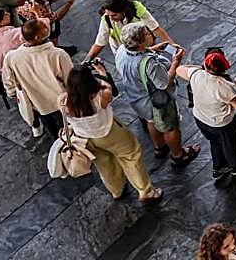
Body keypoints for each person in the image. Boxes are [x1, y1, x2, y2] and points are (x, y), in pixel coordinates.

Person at [58, 62, 162, 202]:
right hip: (109, 132)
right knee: (131, 156)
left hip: (85, 139)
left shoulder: (63, 101)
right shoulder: (101, 96)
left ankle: (116, 190)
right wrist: (101, 71)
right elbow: (109, 88)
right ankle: (146, 191)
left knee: (104, 164)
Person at [115, 23, 200, 167]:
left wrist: (152, 49)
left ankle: (159, 148)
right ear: (141, 42)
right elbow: (164, 83)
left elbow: (136, 56)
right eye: (147, 34)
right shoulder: (149, 64)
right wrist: (175, 62)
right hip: (155, 102)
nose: (151, 34)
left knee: (151, 121)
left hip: (137, 99)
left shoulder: (122, 51)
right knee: (170, 127)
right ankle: (178, 155)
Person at [177, 49, 236, 185]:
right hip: (222, 124)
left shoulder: (197, 74)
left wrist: (202, 67)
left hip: (201, 119)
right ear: (224, 68)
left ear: (206, 65)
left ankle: (218, 167)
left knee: (215, 142)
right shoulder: (225, 86)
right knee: (230, 145)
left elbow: (180, 69)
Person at [1, 18, 71, 139]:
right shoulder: (57, 54)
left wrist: (12, 92)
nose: (47, 25)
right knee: (67, 130)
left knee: (51, 127)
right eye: (44, 26)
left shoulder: (12, 57)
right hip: (61, 101)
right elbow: (70, 79)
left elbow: (8, 79)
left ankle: (59, 146)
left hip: (37, 103)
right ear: (37, 37)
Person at [84, 0, 172, 62]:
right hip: (124, 49)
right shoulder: (106, 19)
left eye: (114, 15)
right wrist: (86, 61)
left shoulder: (137, 9)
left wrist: (172, 46)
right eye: (108, 15)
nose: (111, 18)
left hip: (143, 44)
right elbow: (99, 43)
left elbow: (155, 28)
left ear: (123, 11)